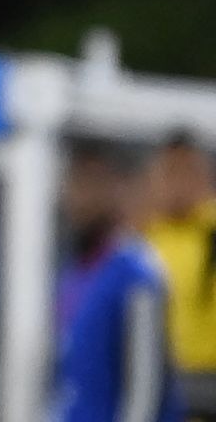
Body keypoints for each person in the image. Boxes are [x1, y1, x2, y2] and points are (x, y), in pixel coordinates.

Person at [54, 140, 182, 422]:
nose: (79, 197)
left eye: (91, 183)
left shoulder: (137, 274)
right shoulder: (74, 273)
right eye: (75, 182)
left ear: (115, 188)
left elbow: (146, 390)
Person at [145, 131, 216, 419]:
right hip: (158, 380)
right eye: (169, 173)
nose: (176, 185)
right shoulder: (145, 240)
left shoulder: (210, 233)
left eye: (185, 172)